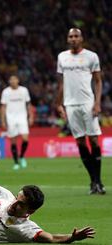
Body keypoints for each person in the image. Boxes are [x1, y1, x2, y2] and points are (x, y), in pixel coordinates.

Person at [56, 28, 105, 194]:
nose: (73, 39)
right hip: (70, 104)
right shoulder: (62, 57)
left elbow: (98, 81)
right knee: (80, 142)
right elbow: (61, 83)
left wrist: (97, 103)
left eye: (76, 36)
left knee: (93, 140)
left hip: (88, 103)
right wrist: (58, 104)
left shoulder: (91, 56)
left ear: (81, 39)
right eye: (70, 36)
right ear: (68, 39)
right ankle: (93, 182)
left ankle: (98, 181)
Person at [0, 75, 33, 170]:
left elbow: (28, 104)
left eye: (15, 79)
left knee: (25, 139)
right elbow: (3, 107)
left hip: (22, 117)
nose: (13, 81)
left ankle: (22, 156)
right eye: (11, 80)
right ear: (9, 81)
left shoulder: (24, 90)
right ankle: (16, 163)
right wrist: (3, 120)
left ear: (18, 80)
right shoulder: (6, 92)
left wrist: (31, 116)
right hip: (11, 118)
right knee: (13, 140)